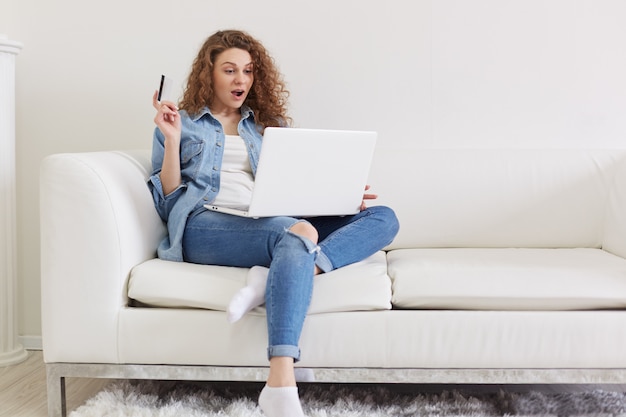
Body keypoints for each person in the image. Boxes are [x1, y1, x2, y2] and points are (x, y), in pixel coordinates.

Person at [148, 29, 399, 417]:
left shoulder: (265, 125)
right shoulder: (183, 122)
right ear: (208, 73)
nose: (241, 80)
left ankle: (278, 275)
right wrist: (172, 138)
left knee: (383, 217)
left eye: (248, 71)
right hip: (204, 225)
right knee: (294, 232)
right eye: (230, 70)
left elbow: (292, 186)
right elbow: (167, 201)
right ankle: (281, 378)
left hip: (267, 219)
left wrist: (338, 194)